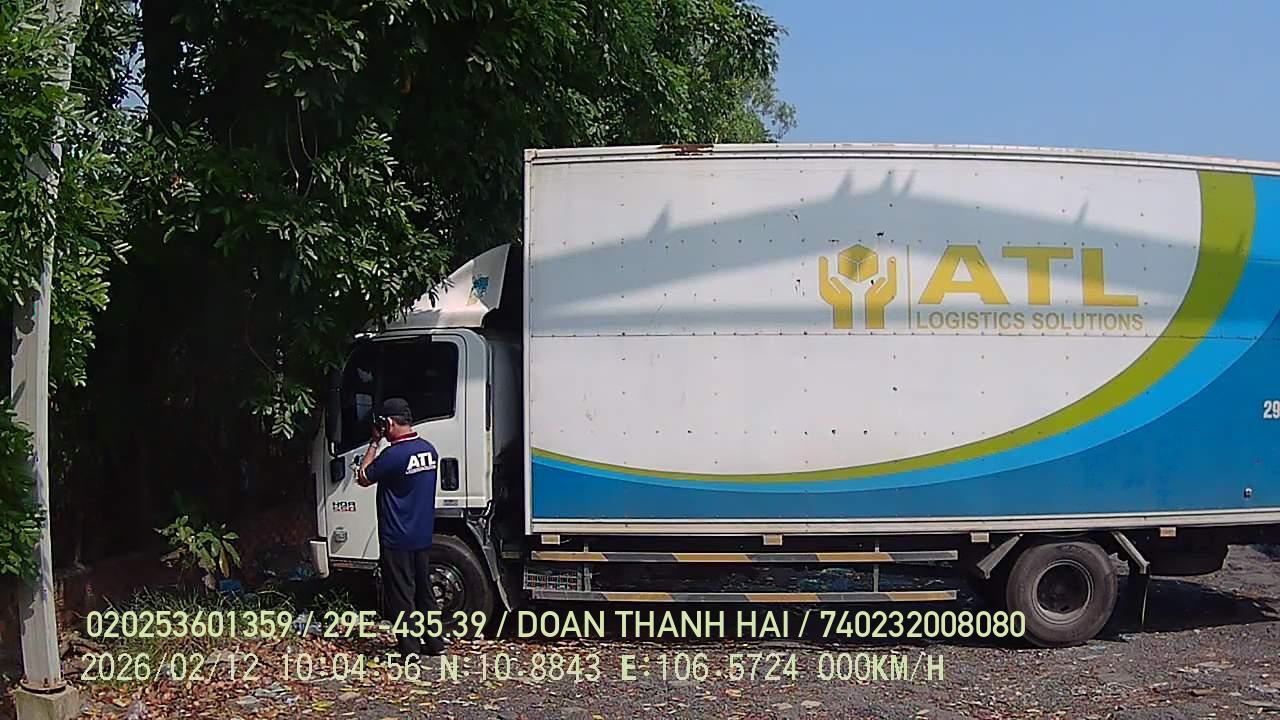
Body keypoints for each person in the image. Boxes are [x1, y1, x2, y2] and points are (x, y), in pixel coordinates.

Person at [357, 397, 447, 656]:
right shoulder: (429, 450)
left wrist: (374, 443)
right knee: (424, 592)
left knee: (401, 596)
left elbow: (363, 476)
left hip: (396, 538)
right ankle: (435, 643)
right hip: (422, 536)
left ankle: (410, 650)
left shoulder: (393, 455)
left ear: (388, 423)